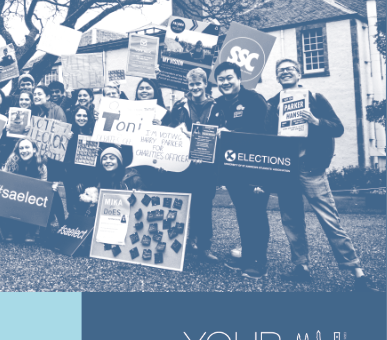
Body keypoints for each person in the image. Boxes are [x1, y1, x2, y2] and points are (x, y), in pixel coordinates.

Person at [262, 58, 380, 292]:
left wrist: (315, 121)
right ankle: (301, 268)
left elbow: (338, 128)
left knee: (330, 220)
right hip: (285, 170)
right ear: (277, 77)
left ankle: (358, 273)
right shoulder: (272, 103)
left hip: (310, 168)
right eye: (281, 71)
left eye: (290, 69)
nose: (285, 73)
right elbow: (266, 137)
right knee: (292, 221)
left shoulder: (315, 99)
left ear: (299, 74)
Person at [210, 61, 272, 279]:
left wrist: (231, 132)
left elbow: (264, 131)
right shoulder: (216, 104)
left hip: (257, 168)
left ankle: (258, 262)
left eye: (229, 78)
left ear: (239, 79)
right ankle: (247, 258)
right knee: (243, 214)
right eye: (221, 79)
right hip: (232, 170)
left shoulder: (254, 100)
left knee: (256, 213)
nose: (225, 82)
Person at [162, 67, 220, 263]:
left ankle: (204, 246)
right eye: (191, 84)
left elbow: (221, 132)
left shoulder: (216, 106)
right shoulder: (179, 106)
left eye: (198, 83)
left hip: (206, 166)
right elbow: (169, 128)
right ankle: (182, 243)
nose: (195, 87)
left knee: (203, 207)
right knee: (181, 205)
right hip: (182, 165)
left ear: (205, 84)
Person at [0, 138, 66, 242]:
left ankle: (60, 227)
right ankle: (10, 228)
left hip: (31, 201)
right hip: (15, 199)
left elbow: (43, 187)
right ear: (17, 150)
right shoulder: (11, 162)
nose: (24, 151)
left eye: (27, 147)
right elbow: (5, 181)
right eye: (21, 148)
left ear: (34, 150)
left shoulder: (41, 166)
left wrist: (51, 188)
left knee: (54, 194)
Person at [73, 146, 143, 226]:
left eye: (112, 158)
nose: (108, 161)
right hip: (109, 220)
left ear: (119, 161)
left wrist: (135, 196)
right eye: (104, 158)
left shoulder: (133, 178)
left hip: (129, 220)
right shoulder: (102, 178)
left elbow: (142, 200)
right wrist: (91, 199)